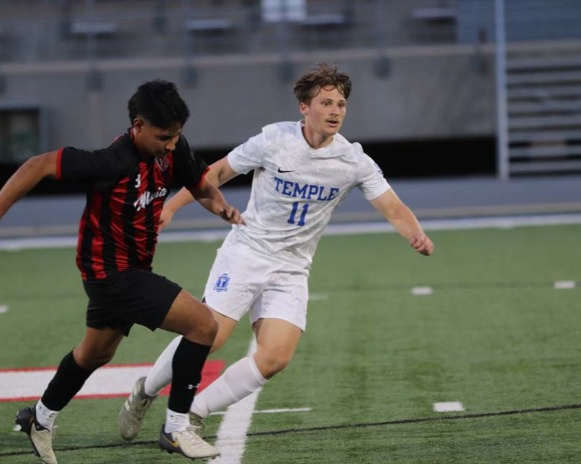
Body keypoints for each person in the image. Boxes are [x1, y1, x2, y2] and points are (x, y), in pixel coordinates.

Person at [117, 63, 434, 443]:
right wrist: (170, 207)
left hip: (292, 268)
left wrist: (416, 234)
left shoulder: (354, 161)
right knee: (210, 337)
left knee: (275, 357)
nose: (335, 111)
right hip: (246, 253)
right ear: (304, 107)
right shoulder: (273, 140)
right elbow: (215, 174)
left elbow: (393, 207)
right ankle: (146, 390)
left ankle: (196, 412)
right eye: (326, 103)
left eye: (341, 104)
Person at [0, 79, 245, 464]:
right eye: (164, 137)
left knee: (95, 353)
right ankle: (176, 427)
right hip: (112, 274)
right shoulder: (111, 161)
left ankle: (39, 418)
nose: (172, 144)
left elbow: (201, 184)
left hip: (128, 270)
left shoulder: (172, 149)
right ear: (138, 125)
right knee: (204, 326)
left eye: (176, 135)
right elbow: (37, 165)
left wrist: (220, 205)